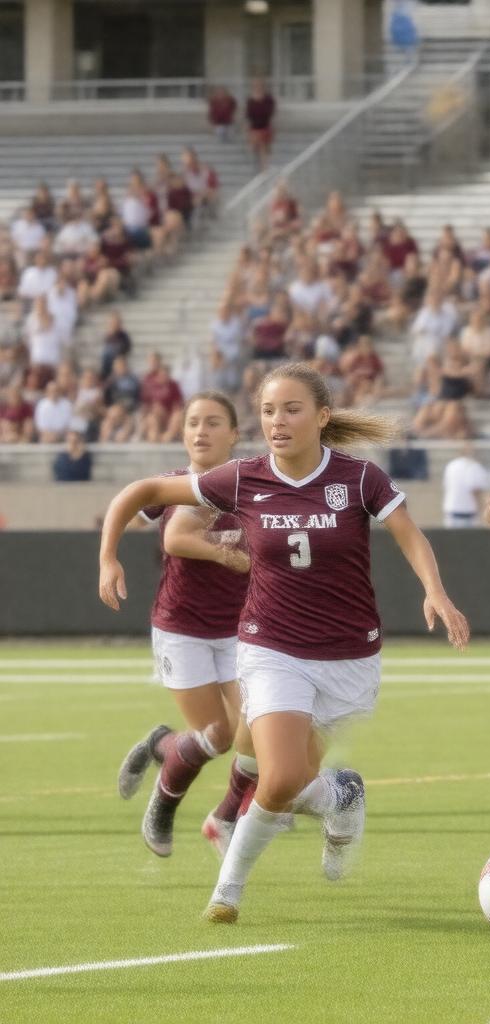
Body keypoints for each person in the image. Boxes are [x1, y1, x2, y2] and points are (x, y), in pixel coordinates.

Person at [99, 362, 469, 923]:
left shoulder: (360, 479)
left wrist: (435, 590)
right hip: (270, 647)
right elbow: (145, 491)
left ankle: (341, 798)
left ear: (322, 417)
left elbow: (409, 535)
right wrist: (108, 555)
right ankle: (227, 892)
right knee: (276, 776)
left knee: (294, 783)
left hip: (349, 655)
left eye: (292, 409)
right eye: (269, 411)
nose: (278, 421)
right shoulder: (242, 478)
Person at [113, 392, 252, 859]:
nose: (201, 431)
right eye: (193, 422)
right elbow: (135, 511)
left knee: (258, 728)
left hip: (240, 630)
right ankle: (164, 777)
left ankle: (230, 812)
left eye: (214, 422)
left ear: (233, 434)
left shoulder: (251, 486)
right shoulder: (173, 485)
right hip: (182, 627)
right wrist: (110, 550)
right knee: (217, 735)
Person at [442, 444, 490, 527]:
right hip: (468, 511)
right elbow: (475, 490)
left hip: (451, 510)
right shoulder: (474, 466)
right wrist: (481, 511)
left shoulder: (451, 465)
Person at [245, 79, 276, 171]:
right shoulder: (250, 100)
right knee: (256, 145)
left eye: (259, 86)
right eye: (255, 86)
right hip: (254, 127)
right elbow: (248, 114)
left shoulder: (268, 99)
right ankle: (259, 166)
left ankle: (264, 167)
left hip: (265, 125)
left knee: (264, 147)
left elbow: (271, 112)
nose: (258, 87)